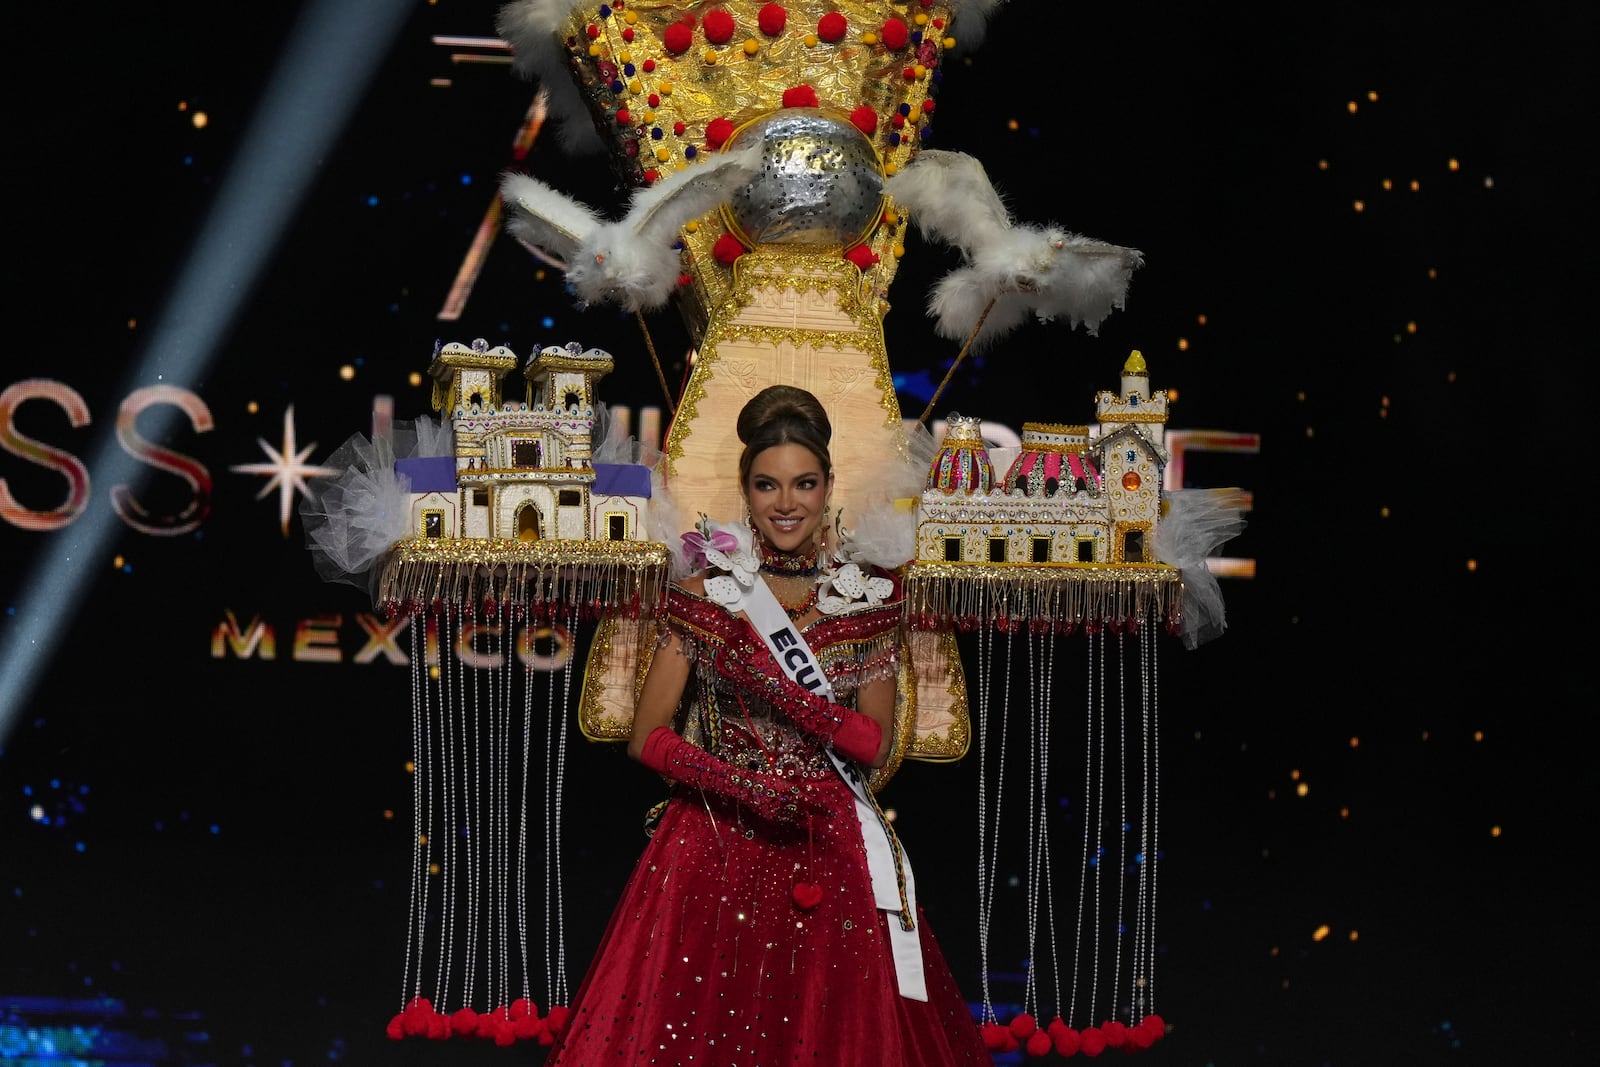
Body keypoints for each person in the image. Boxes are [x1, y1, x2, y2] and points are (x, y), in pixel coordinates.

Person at [544, 385, 992, 1065]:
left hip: (829, 843)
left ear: (829, 486)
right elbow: (647, 737)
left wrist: (773, 686)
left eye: (804, 483)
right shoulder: (704, 597)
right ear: (745, 490)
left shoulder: (866, 599)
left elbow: (873, 743)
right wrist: (743, 787)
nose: (787, 503)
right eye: (767, 485)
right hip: (713, 840)